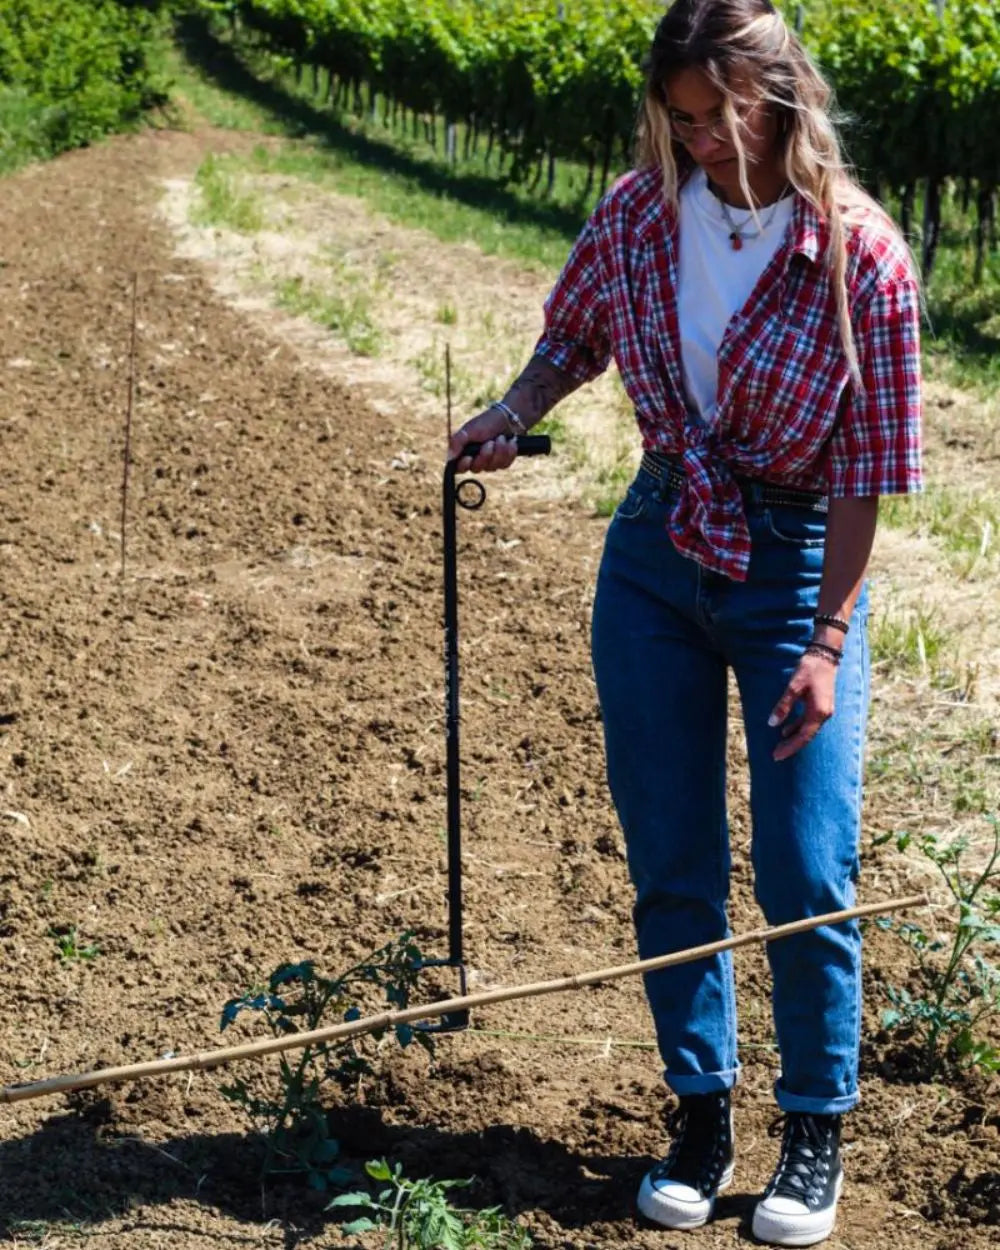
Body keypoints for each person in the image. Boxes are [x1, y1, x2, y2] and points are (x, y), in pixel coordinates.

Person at [447, 0, 922, 1244]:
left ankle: (811, 1126)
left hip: (794, 562)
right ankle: (699, 1112)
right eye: (682, 118)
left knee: (806, 867)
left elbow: (865, 472)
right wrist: (511, 406)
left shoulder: (857, 254)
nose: (703, 141)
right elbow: (576, 335)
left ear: (781, 96)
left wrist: (824, 642)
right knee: (669, 853)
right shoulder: (640, 209)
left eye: (722, 115)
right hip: (657, 548)